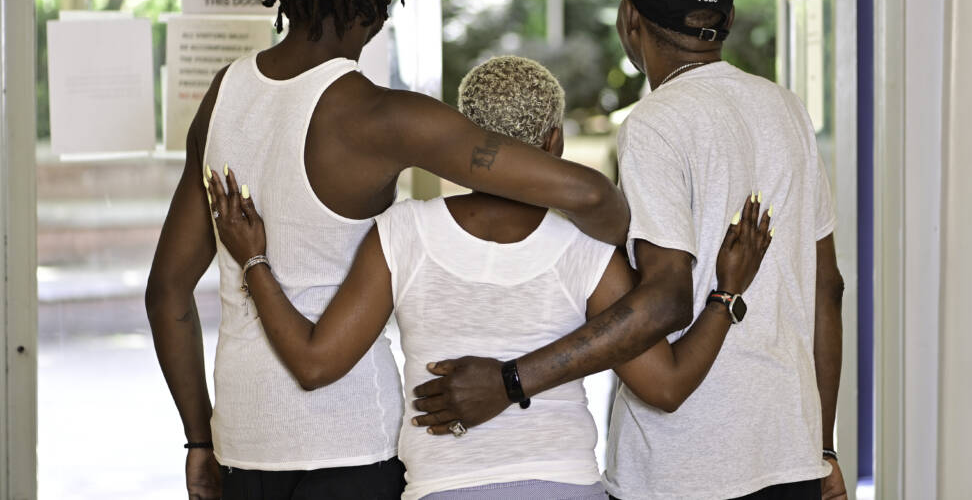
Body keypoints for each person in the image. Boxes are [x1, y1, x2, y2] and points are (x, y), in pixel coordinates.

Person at [145, 0, 628, 500]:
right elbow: (585, 190)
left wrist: (199, 440)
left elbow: (168, 290)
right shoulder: (380, 115)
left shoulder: (224, 96)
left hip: (243, 444)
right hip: (352, 444)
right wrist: (607, 242)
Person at [204, 55, 773, 500]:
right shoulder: (588, 247)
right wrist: (726, 293)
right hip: (565, 485)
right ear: (554, 144)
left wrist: (254, 260)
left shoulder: (402, 232)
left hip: (444, 488)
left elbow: (314, 363)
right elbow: (665, 387)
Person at [410, 0, 849, 500]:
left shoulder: (655, 124)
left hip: (683, 468)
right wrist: (821, 447)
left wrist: (511, 380)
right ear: (729, 18)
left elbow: (663, 302)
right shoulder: (787, 110)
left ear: (630, 19)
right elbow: (827, 288)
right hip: (788, 456)